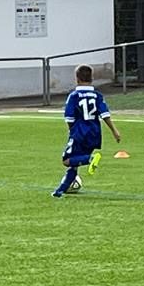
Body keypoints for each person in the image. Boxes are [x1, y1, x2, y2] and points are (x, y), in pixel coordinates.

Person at [52, 64, 121, 197]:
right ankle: (60, 191)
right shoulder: (97, 96)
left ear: (77, 79)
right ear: (92, 78)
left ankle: (91, 159)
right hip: (94, 133)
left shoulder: (74, 96)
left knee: (67, 160)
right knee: (75, 163)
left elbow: (69, 117)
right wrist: (114, 131)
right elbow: (105, 114)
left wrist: (72, 132)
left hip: (79, 132)